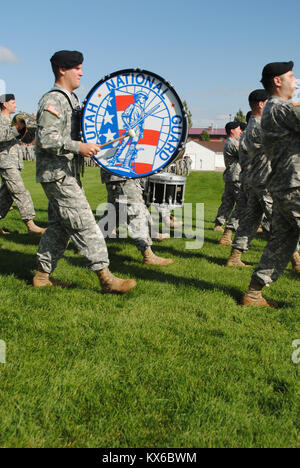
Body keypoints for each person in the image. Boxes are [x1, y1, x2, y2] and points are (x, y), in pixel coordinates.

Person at [33, 50, 136, 294]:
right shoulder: (53, 100)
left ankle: (41, 276)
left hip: (67, 173)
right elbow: (46, 138)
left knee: (60, 227)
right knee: (85, 223)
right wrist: (77, 146)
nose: (81, 72)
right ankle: (106, 277)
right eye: (77, 68)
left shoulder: (73, 100)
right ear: (62, 70)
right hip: (57, 174)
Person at [243, 61, 300, 307]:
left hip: (284, 185)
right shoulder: (278, 107)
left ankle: (254, 293)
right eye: (291, 76)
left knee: (281, 242)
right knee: (281, 240)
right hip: (295, 185)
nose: (296, 80)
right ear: (278, 81)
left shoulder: (276, 108)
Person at [226, 89, 274, 267]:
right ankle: (296, 260)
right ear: (261, 104)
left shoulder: (249, 128)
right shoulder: (261, 127)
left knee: (250, 221)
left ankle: (235, 256)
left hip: (253, 182)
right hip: (264, 182)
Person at [100, 168, 174, 266]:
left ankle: (88, 243)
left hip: (124, 174)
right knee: (135, 212)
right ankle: (148, 256)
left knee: (114, 213)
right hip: (121, 174)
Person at [0, 94, 46, 234]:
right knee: (20, 191)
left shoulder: (11, 120)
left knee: (6, 196)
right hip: (5, 161)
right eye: (13, 102)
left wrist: (22, 129)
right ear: (4, 104)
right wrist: (17, 129)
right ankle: (30, 225)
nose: (15, 105)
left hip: (14, 161)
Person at [214, 122, 244, 244]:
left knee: (228, 201)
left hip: (232, 176)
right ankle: (229, 230)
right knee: (243, 204)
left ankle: (219, 224)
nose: (241, 131)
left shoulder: (230, 142)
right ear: (232, 130)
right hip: (236, 177)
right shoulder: (232, 143)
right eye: (238, 129)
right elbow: (245, 153)